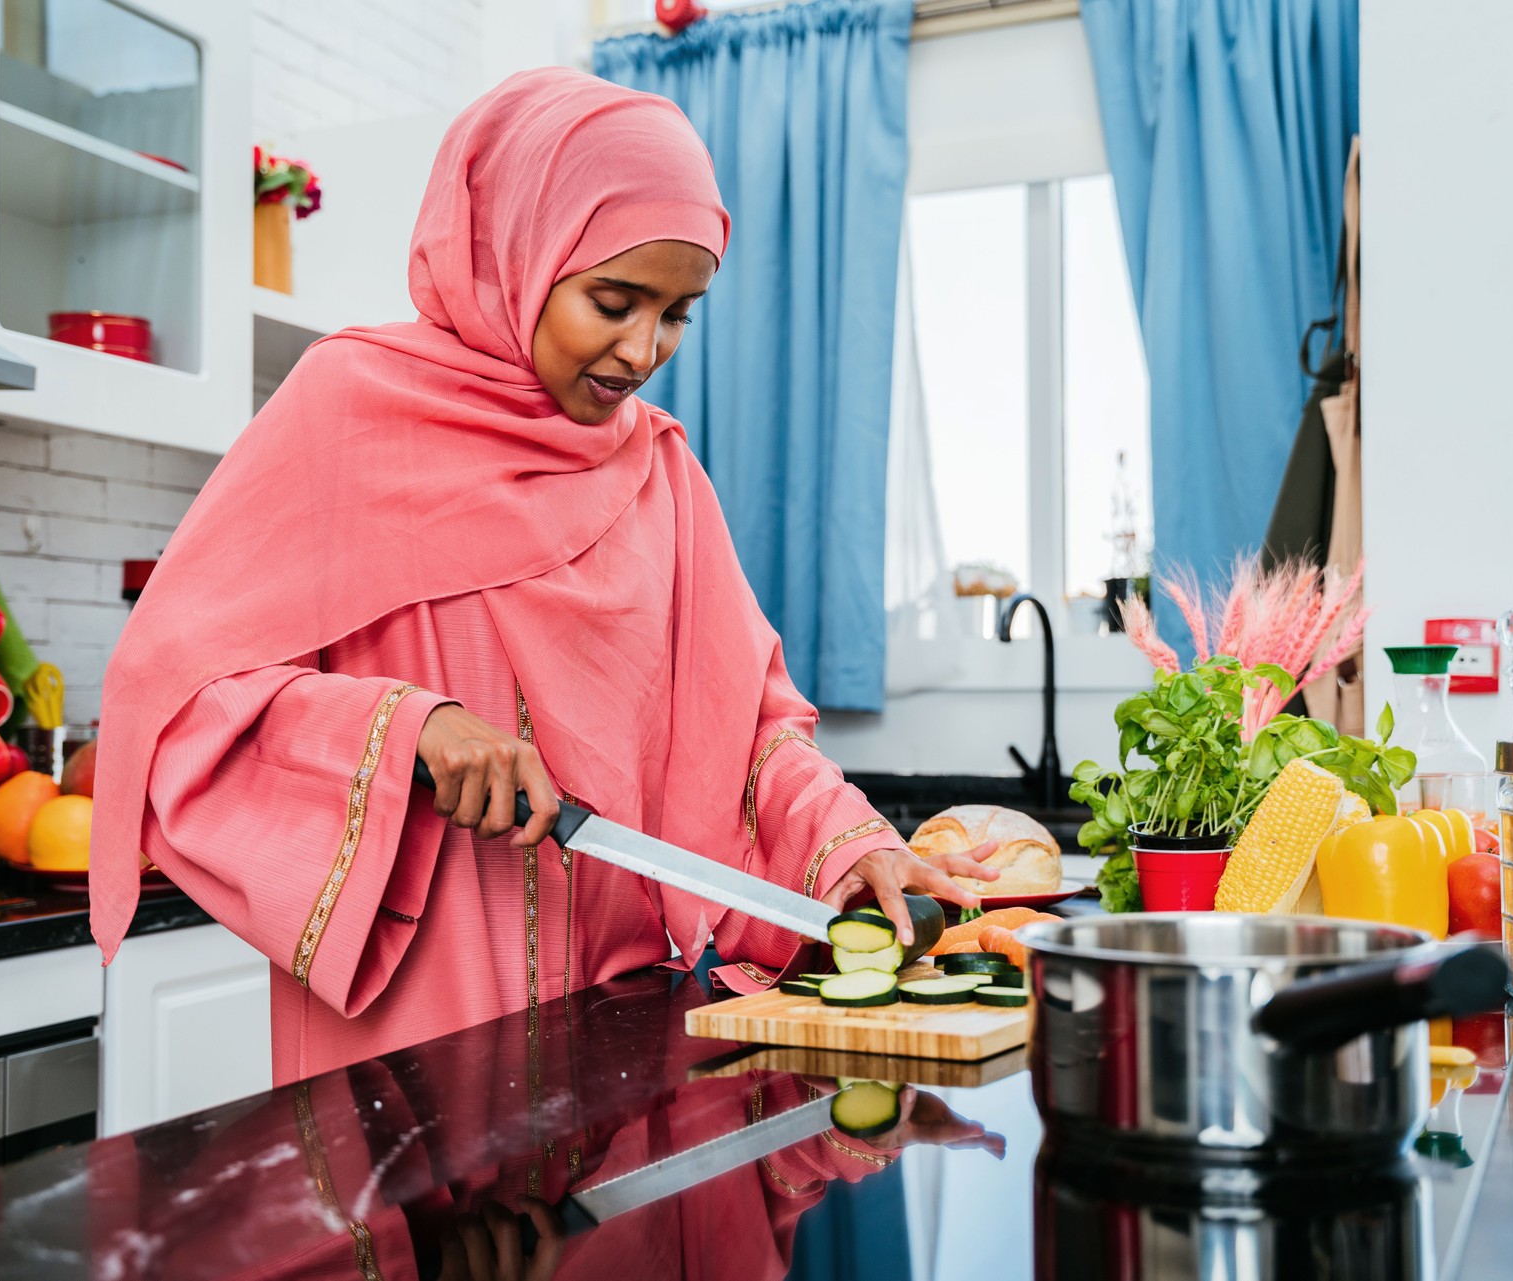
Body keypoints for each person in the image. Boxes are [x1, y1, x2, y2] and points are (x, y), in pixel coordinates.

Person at [90, 67, 997, 1086]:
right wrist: (407, 729)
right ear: (515, 252)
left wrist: (845, 841)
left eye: (678, 314)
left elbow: (747, 733)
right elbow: (176, 695)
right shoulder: (344, 411)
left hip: (618, 1019)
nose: (642, 349)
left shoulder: (659, 473)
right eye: (614, 301)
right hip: (406, 1019)